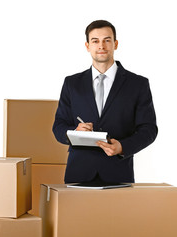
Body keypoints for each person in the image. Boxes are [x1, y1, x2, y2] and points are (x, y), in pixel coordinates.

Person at [53, 20, 157, 184]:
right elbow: (58, 126)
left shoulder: (137, 84)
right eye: (95, 41)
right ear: (87, 46)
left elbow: (149, 129)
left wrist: (122, 146)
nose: (101, 46)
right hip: (79, 173)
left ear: (115, 44)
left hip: (118, 173)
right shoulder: (72, 83)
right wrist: (75, 131)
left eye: (107, 40)